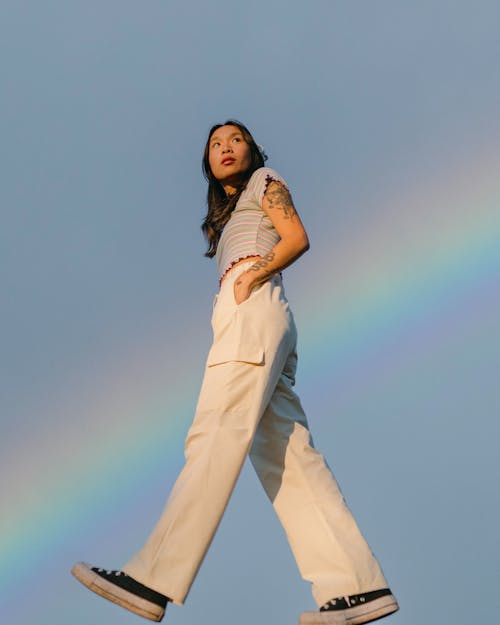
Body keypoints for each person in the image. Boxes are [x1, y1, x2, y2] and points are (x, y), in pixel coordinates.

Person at [71, 120, 399, 625]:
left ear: (253, 150)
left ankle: (153, 579)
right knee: (289, 459)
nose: (226, 148)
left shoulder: (265, 180)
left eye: (235, 140)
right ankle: (359, 589)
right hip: (259, 318)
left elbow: (296, 237)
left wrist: (255, 275)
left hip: (253, 309)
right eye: (215, 145)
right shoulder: (224, 218)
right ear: (208, 162)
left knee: (214, 434)